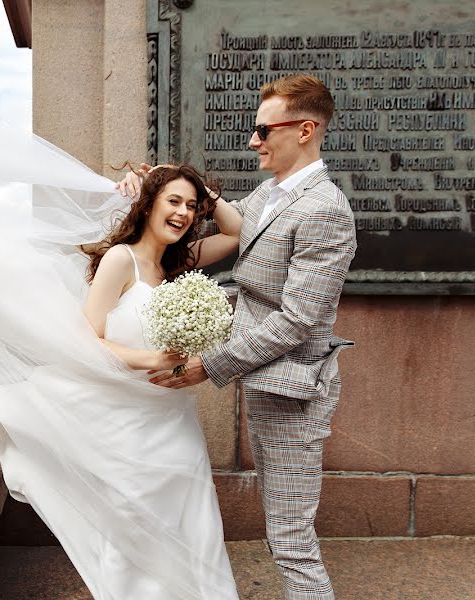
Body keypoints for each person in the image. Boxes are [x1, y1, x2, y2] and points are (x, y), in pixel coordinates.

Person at [0, 163, 244, 599]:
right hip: (124, 413)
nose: (182, 213)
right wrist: (151, 358)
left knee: (193, 507)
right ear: (149, 204)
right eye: (173, 201)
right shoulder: (122, 259)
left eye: (191, 207)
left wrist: (196, 186)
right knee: (134, 515)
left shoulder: (182, 262)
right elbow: (89, 339)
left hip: (169, 412)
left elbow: (236, 233)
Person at [118, 73, 357, 600]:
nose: (253, 140)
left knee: (291, 538)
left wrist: (209, 366)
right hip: (267, 382)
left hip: (295, 392)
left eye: (262, 129)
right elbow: (217, 223)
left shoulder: (324, 210)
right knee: (283, 535)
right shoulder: (272, 193)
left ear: (305, 130)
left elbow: (298, 319)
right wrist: (153, 181)